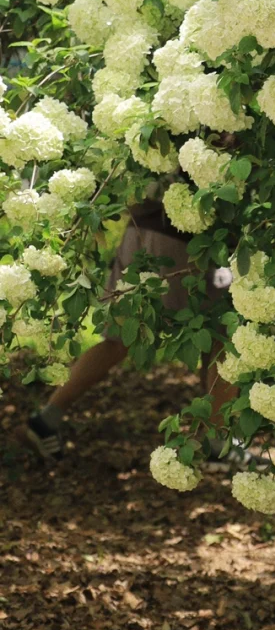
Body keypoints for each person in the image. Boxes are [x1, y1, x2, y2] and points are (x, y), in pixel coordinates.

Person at [24, 194, 235, 461]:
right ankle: (218, 445)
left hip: (140, 231)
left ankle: (47, 419)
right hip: (187, 240)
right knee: (222, 341)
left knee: (118, 338)